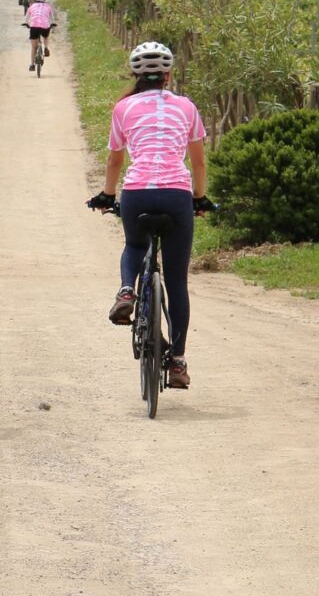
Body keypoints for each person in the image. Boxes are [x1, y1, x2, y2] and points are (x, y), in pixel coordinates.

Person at [93, 41, 207, 390]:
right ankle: (177, 362)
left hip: (138, 191)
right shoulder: (186, 107)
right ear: (168, 76)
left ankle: (127, 291)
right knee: (176, 282)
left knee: (134, 245)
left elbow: (115, 160)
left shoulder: (123, 108)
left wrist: (108, 194)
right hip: (175, 193)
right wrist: (199, 198)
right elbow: (199, 161)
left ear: (135, 75)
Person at [24, 0, 55, 70]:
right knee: (46, 36)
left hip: (34, 27)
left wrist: (26, 24)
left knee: (34, 47)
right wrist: (52, 24)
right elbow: (52, 18)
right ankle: (46, 47)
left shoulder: (32, 6)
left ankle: (32, 65)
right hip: (45, 26)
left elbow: (26, 17)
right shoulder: (48, 7)